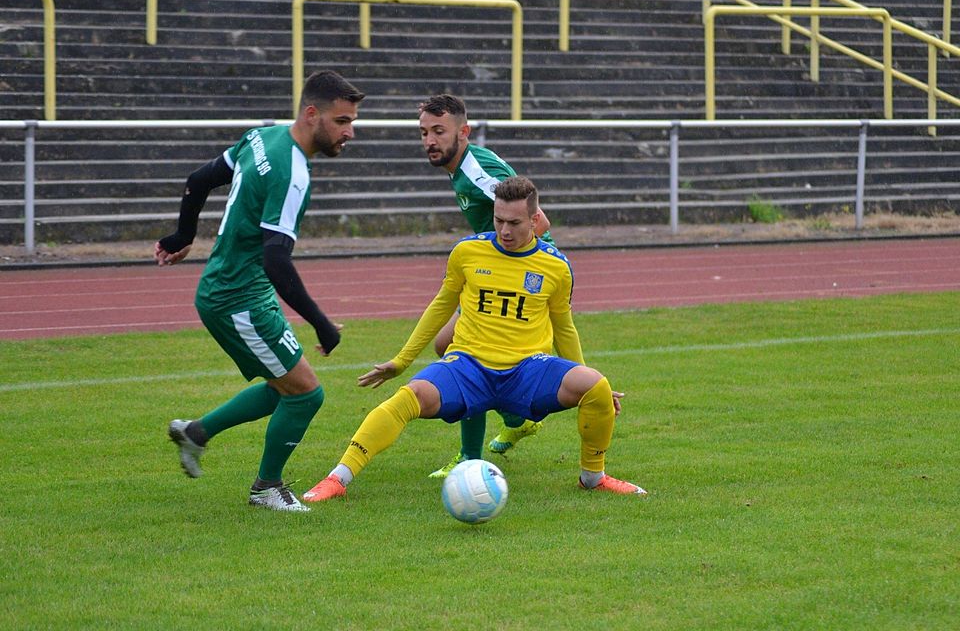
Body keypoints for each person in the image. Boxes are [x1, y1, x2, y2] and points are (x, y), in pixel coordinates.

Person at [302, 176, 646, 504]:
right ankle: (337, 479)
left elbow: (564, 328)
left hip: (527, 370)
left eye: (515, 222)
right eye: (499, 220)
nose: (504, 230)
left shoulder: (556, 267)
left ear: (535, 219)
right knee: (408, 397)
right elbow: (440, 307)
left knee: (596, 385)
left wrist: (583, 374)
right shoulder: (467, 252)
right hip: (467, 366)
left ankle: (593, 478)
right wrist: (402, 361)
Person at [155, 70, 365, 512]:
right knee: (307, 394)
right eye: (342, 121)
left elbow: (199, 178)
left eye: (351, 121)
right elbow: (276, 259)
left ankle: (196, 433)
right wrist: (322, 323)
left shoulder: (261, 137)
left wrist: (181, 236)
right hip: (238, 299)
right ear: (312, 114)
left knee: (283, 386)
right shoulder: (293, 172)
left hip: (238, 291)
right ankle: (267, 487)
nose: (350, 132)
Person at [418, 94, 555, 477]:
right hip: (505, 271)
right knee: (455, 346)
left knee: (462, 349)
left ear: (463, 131)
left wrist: (500, 267)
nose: (430, 140)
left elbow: (538, 222)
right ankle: (517, 421)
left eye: (439, 131)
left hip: (529, 275)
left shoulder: (476, 167)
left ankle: (471, 456)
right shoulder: (459, 169)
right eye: (425, 132)